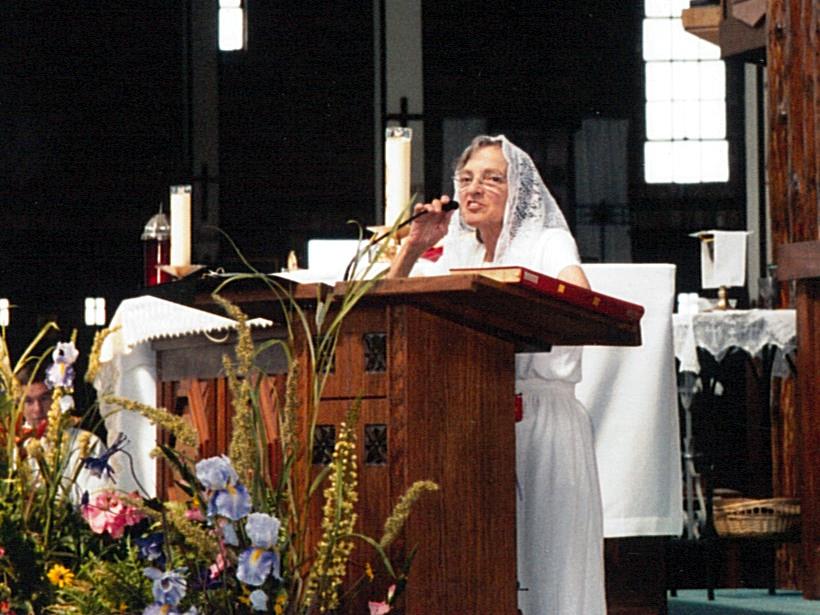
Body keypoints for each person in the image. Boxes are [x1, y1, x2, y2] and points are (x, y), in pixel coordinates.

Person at [388, 135, 606, 614]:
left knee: (551, 562)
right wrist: (413, 248)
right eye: (466, 179)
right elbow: (390, 304)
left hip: (543, 419)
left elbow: (580, 300)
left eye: (492, 179)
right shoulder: (459, 255)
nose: (474, 189)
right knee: (486, 564)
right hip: (478, 419)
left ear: (519, 190)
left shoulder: (546, 241)